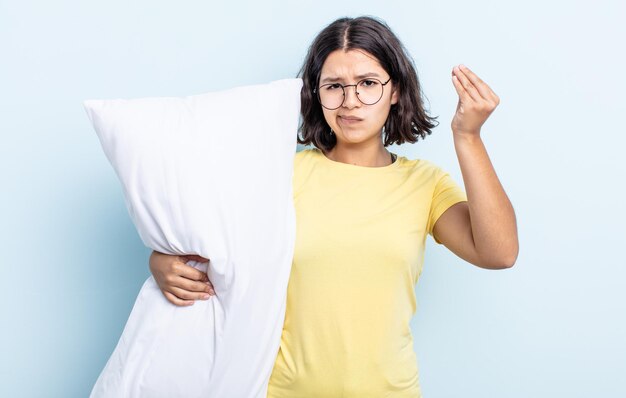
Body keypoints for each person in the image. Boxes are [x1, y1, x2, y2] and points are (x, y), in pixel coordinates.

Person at [149, 15, 518, 397]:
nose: (350, 102)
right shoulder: (280, 174)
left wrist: (468, 136)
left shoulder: (425, 184)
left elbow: (500, 252)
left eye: (368, 84)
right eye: (334, 87)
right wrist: (162, 263)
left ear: (395, 91)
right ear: (316, 93)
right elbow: (206, 244)